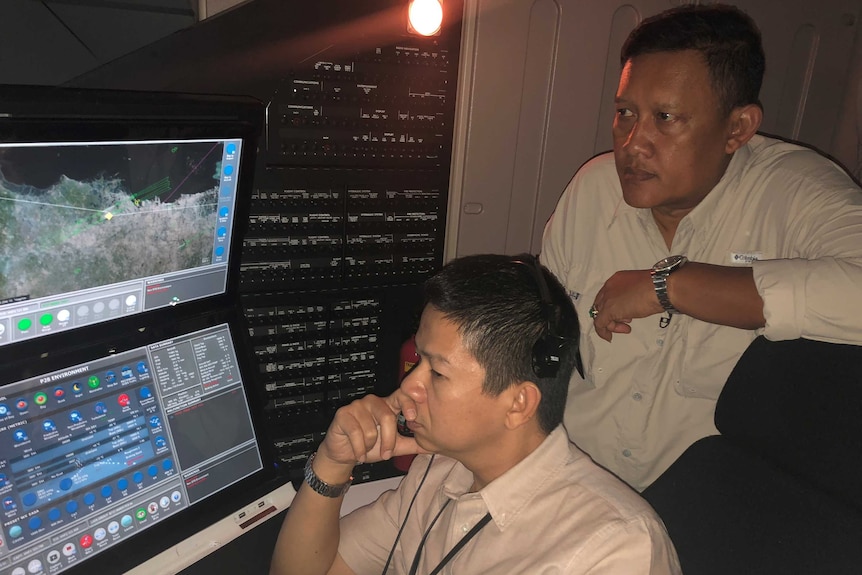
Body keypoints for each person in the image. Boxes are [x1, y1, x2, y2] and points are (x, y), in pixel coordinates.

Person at [541, 3, 862, 492]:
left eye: (665, 118)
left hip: (705, 510)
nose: (633, 142)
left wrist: (670, 286)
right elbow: (541, 334)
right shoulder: (593, 188)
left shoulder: (797, 192)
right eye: (625, 113)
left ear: (737, 129)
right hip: (570, 481)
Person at [269, 254, 681, 575]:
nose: (409, 387)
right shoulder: (441, 470)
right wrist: (332, 463)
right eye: (418, 363)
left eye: (437, 371)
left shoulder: (616, 551)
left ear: (518, 403)